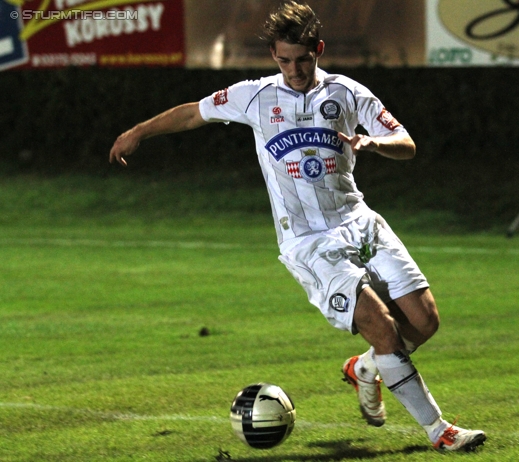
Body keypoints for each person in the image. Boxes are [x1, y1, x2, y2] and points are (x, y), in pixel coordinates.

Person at [109, 1, 486, 452]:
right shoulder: (255, 95)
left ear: (319, 50)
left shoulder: (346, 92)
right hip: (308, 242)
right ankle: (438, 430)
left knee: (424, 321)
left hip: (360, 222)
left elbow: (406, 143)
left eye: (303, 59)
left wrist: (375, 143)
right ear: (273, 55)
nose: (295, 70)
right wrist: (137, 132)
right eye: (285, 60)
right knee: (382, 326)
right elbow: (193, 112)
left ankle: (366, 369)